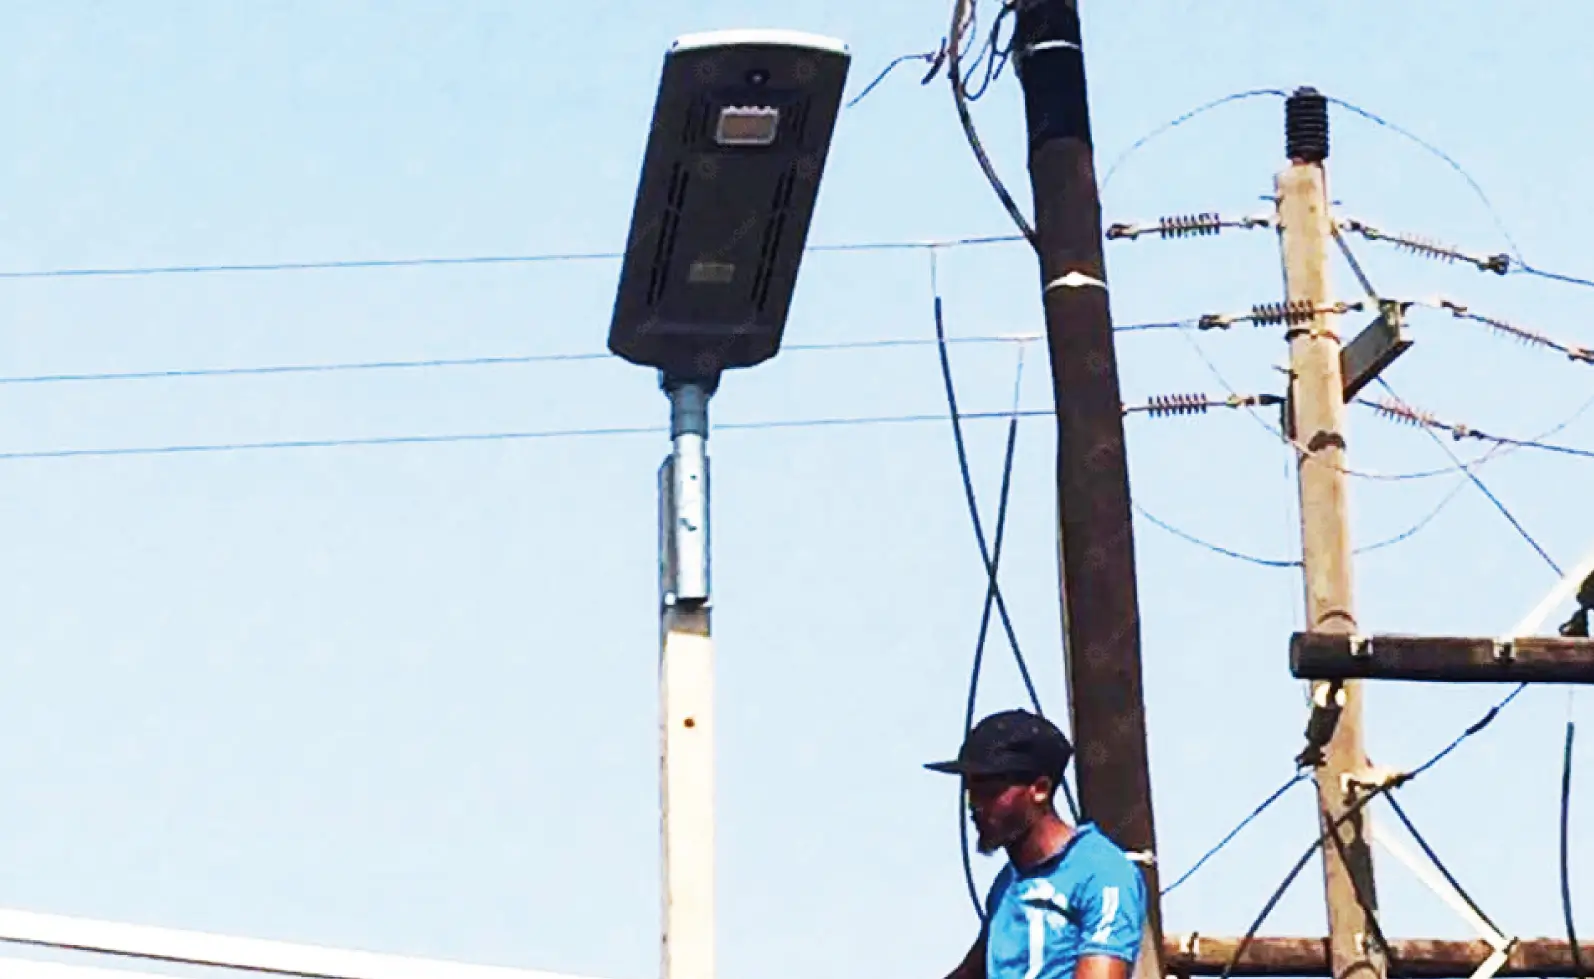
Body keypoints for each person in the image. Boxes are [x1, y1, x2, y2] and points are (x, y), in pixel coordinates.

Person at [925, 709, 1148, 979]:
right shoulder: (1007, 885)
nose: (974, 805)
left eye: (990, 791)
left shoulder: (1102, 874)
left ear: (1040, 789)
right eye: (970, 790)